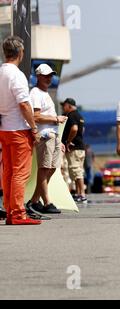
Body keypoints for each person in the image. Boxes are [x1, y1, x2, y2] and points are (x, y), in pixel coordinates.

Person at [0, 36, 41, 225]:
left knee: (8, 172)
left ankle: (10, 211)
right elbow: (24, 104)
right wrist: (34, 128)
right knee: (20, 173)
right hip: (18, 129)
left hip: (5, 128)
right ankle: (17, 213)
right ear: (20, 53)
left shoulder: (1, 71)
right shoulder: (16, 75)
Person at [26, 64, 67, 218]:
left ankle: (35, 200)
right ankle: (46, 202)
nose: (49, 78)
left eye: (50, 75)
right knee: (44, 169)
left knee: (52, 168)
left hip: (53, 135)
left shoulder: (45, 93)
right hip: (45, 135)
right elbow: (35, 116)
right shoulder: (35, 93)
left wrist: (59, 138)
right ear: (38, 76)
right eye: (46, 75)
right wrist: (55, 119)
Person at [61, 98, 87, 203]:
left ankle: (82, 194)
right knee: (78, 171)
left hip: (74, 148)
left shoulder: (71, 115)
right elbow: (82, 130)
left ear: (69, 105)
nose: (63, 108)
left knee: (76, 171)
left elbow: (75, 128)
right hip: (80, 147)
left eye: (64, 105)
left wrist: (68, 141)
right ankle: (78, 193)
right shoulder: (79, 116)